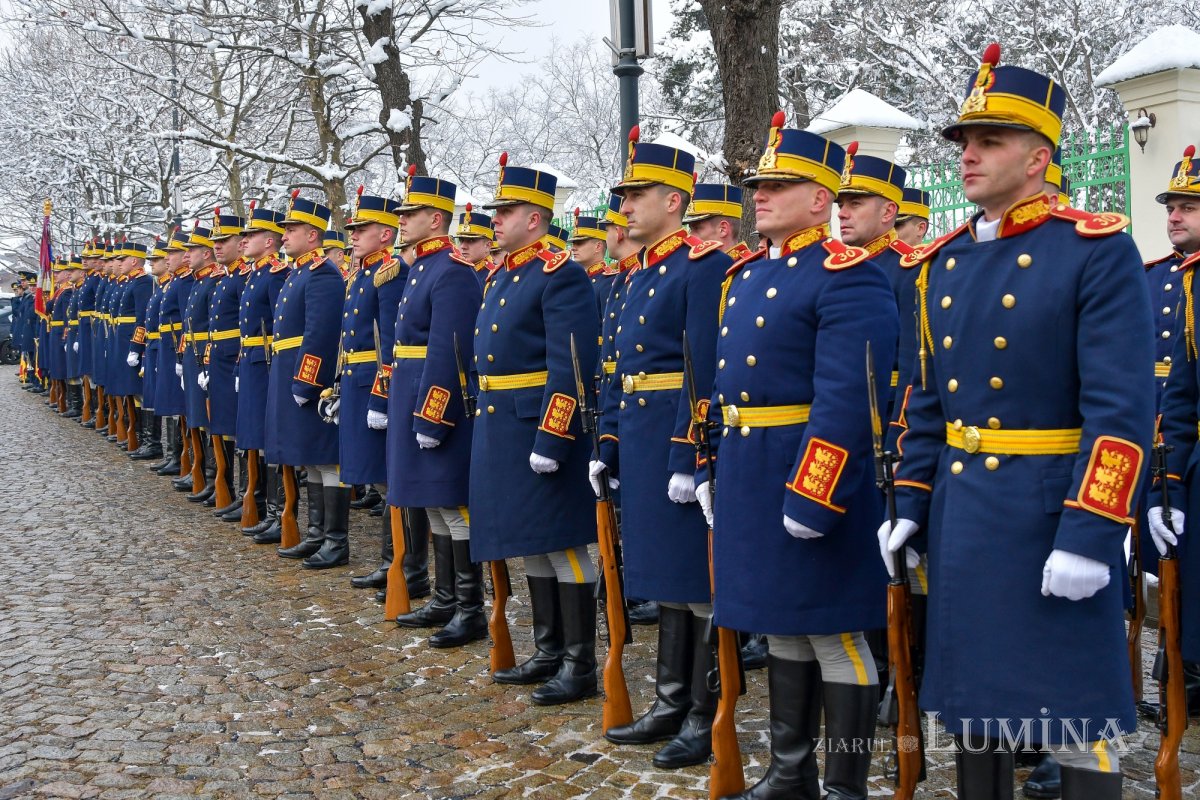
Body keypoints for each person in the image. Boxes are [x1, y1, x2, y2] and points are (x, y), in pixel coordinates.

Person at [879, 44, 1151, 799]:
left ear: (1038, 157)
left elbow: (1122, 411)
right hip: (966, 519)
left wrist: (1093, 531)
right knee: (975, 707)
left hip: (1050, 513)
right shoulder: (942, 262)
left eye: (988, 141)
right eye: (963, 142)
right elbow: (926, 401)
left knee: (1076, 708)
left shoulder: (1094, 251)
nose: (968, 155)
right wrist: (909, 504)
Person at [700, 112, 897, 800]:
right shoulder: (746, 275)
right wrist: (711, 468)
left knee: (834, 632)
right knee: (779, 624)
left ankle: (844, 783)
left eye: (779, 184)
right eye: (759, 183)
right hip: (752, 470)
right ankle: (791, 772)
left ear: (820, 199)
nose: (760, 194)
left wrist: (816, 494)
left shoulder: (849, 276)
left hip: (812, 474)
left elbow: (847, 403)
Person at [594, 129, 731, 768]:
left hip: (677, 437)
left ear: (674, 200)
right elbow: (622, 367)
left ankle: (704, 714)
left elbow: (701, 369)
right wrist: (611, 440)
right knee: (663, 579)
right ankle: (669, 699)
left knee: (693, 582)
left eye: (636, 194)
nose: (624, 206)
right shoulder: (637, 274)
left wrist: (688, 455)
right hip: (643, 434)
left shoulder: (703, 268)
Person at [472, 155, 601, 705]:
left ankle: (579, 662)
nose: (495, 220)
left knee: (564, 544)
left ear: (537, 218)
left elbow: (568, 364)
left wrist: (553, 437)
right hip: (501, 425)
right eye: (497, 211)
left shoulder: (560, 274)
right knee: (530, 544)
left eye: (507, 211)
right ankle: (548, 650)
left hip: (537, 428)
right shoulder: (503, 274)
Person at [385, 174, 486, 647]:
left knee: (453, 503)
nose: (401, 221)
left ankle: (470, 608)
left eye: (410, 215)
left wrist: (433, 414)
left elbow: (450, 352)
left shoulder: (452, 271)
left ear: (436, 219)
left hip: (435, 397)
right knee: (434, 504)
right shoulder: (423, 268)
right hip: (411, 388)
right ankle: (445, 599)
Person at [335, 187, 431, 600]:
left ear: (386, 235)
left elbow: (392, 343)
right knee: (377, 479)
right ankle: (391, 559)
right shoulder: (361, 275)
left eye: (362, 228)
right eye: (353, 229)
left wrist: (382, 396)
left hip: (377, 384)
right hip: (357, 380)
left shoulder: (390, 276)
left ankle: (409, 566)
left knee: (396, 481)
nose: (353, 235)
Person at [268, 192, 346, 569]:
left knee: (326, 458)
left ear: (312, 234)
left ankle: (335, 539)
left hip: (308, 376)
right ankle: (316, 534)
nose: (284, 235)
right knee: (309, 458)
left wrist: (305, 382)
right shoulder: (299, 271)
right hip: (288, 367)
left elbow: (321, 334)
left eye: (291, 229)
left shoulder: (323, 274)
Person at [236, 202, 291, 544]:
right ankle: (265, 506)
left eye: (252, 234)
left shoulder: (275, 275)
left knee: (270, 437)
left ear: (269, 240)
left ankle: (278, 510)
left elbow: (279, 325)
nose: (245, 240)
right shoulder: (256, 273)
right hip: (251, 358)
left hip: (267, 360)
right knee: (255, 433)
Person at [205, 208, 249, 520]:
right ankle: (233, 490)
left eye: (225, 240)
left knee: (242, 430)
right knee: (225, 427)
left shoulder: (245, 276)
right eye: (215, 241)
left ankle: (249, 495)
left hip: (236, 358)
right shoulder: (225, 278)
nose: (217, 246)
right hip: (220, 358)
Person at [682, 182, 753, 260]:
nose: (690, 235)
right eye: (691, 229)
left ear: (723, 229)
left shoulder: (749, 267)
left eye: (697, 228)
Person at [454, 203, 495, 288]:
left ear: (488, 245)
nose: (463, 246)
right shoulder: (455, 269)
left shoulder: (493, 276)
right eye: (461, 240)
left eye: (471, 240)